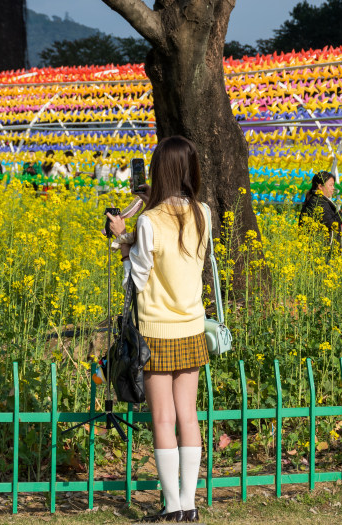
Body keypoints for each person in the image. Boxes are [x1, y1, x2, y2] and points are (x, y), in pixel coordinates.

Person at [105, 136, 209, 523]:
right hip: (192, 326)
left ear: (157, 172)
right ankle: (190, 503)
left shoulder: (148, 220)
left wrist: (120, 237)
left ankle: (172, 506)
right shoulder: (204, 213)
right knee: (189, 416)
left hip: (158, 330)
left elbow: (140, 275)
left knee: (163, 418)